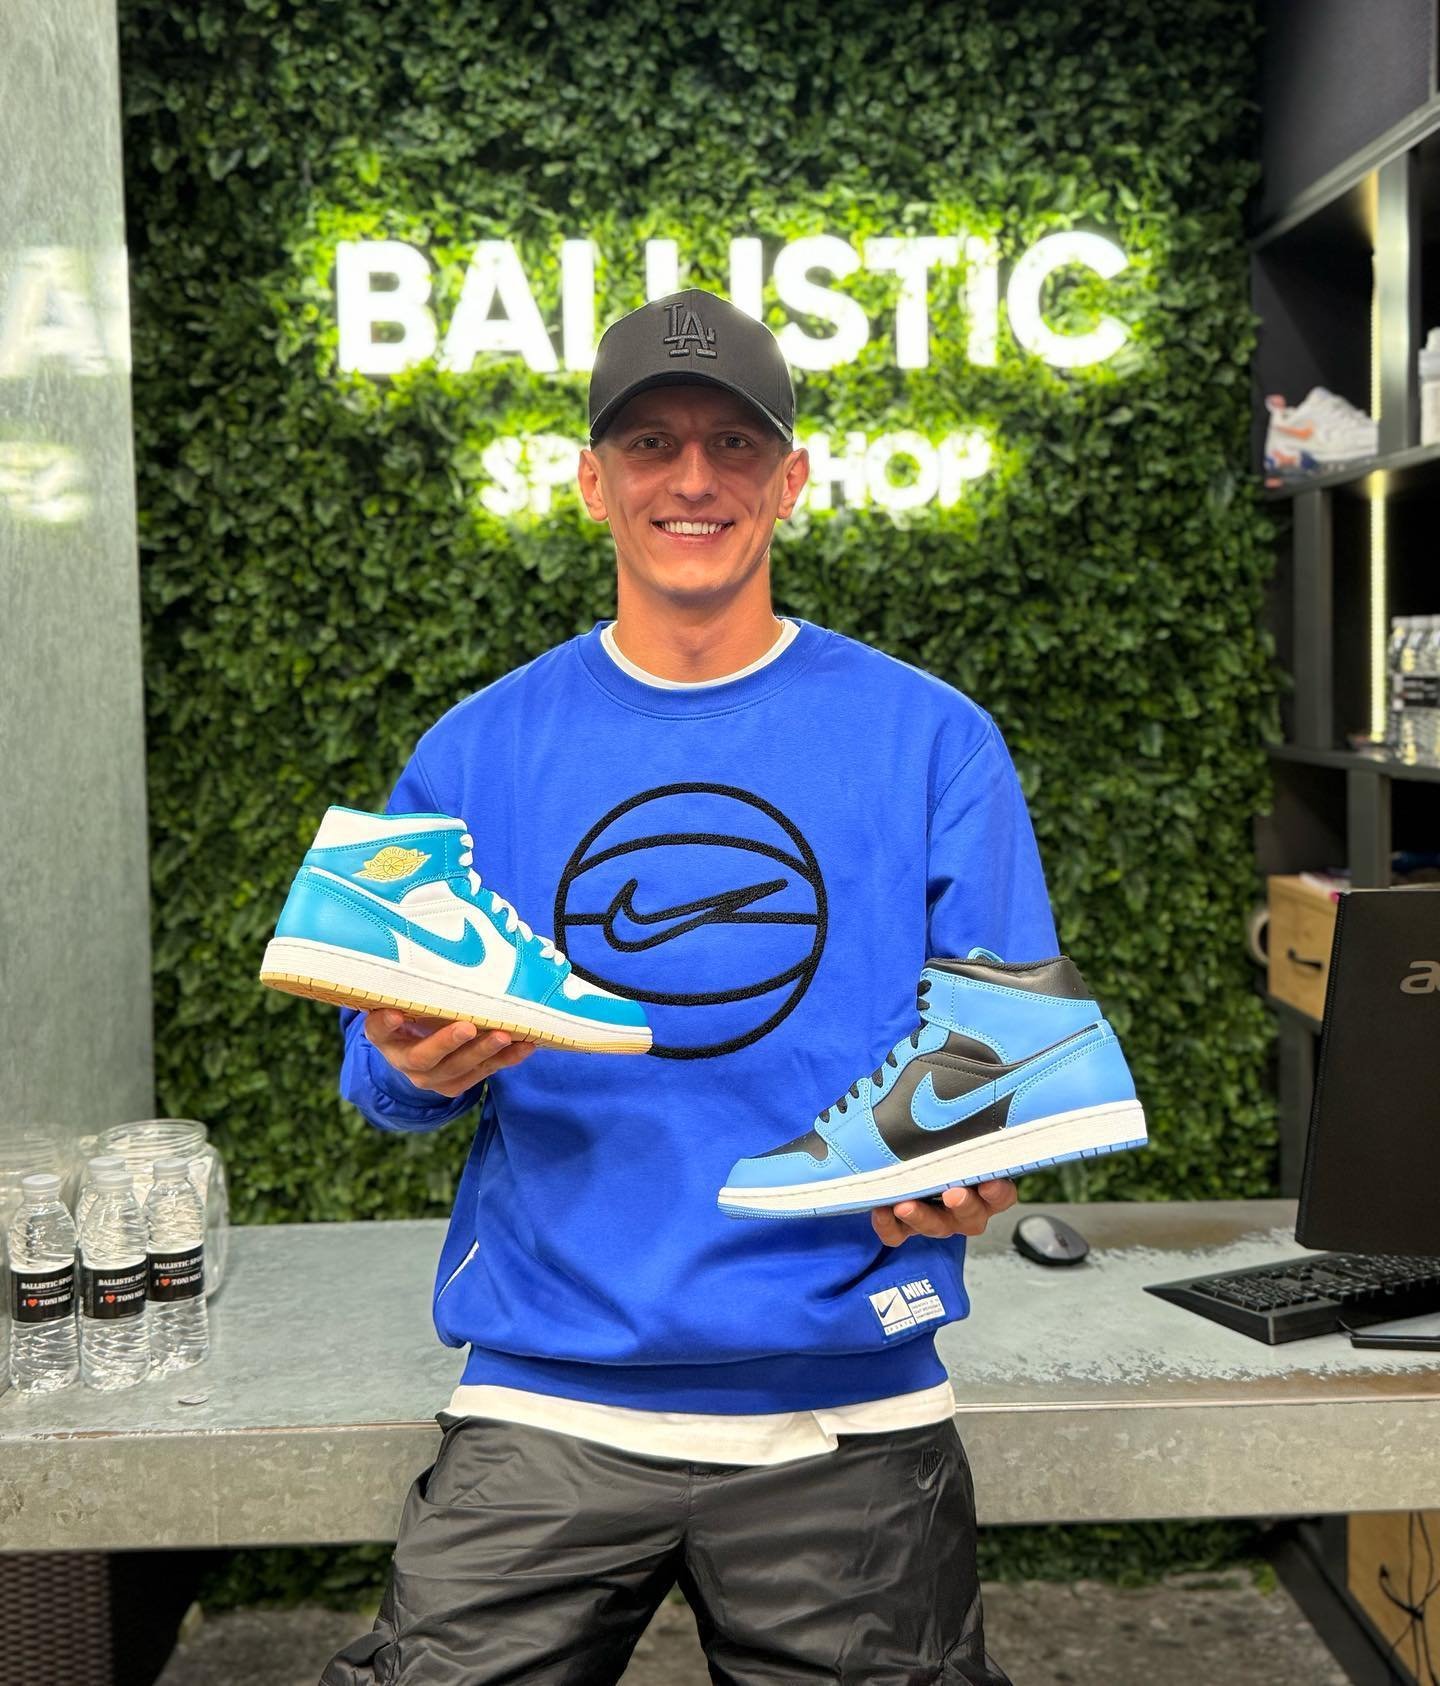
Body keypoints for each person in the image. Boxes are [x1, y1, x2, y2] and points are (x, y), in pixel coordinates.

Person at [320, 288, 1059, 1686]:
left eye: (735, 444)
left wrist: (983, 1159)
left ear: (793, 478)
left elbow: (1006, 1051)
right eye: (651, 443)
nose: (694, 479)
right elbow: (378, 1067)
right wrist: (407, 1065)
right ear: (591, 481)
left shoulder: (934, 738)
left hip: (849, 1407)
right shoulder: (474, 749)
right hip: (545, 1396)